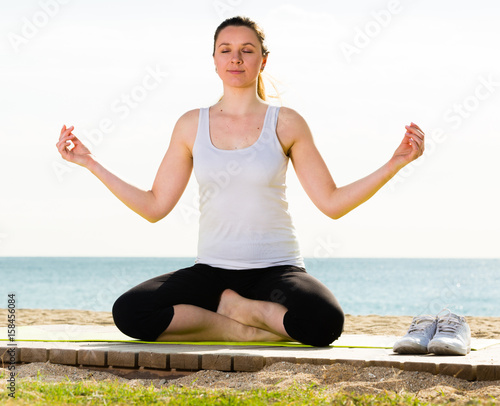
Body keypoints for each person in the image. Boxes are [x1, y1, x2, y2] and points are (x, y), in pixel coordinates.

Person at [56, 16, 425, 347]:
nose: (236, 58)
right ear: (214, 61)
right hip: (212, 272)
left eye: (247, 50)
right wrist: (90, 163)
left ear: (263, 60)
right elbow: (155, 206)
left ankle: (251, 312)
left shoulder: (286, 123)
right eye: (226, 50)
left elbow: (332, 202)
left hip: (276, 271)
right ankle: (238, 327)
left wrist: (395, 163)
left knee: (325, 324)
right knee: (130, 312)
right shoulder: (190, 125)